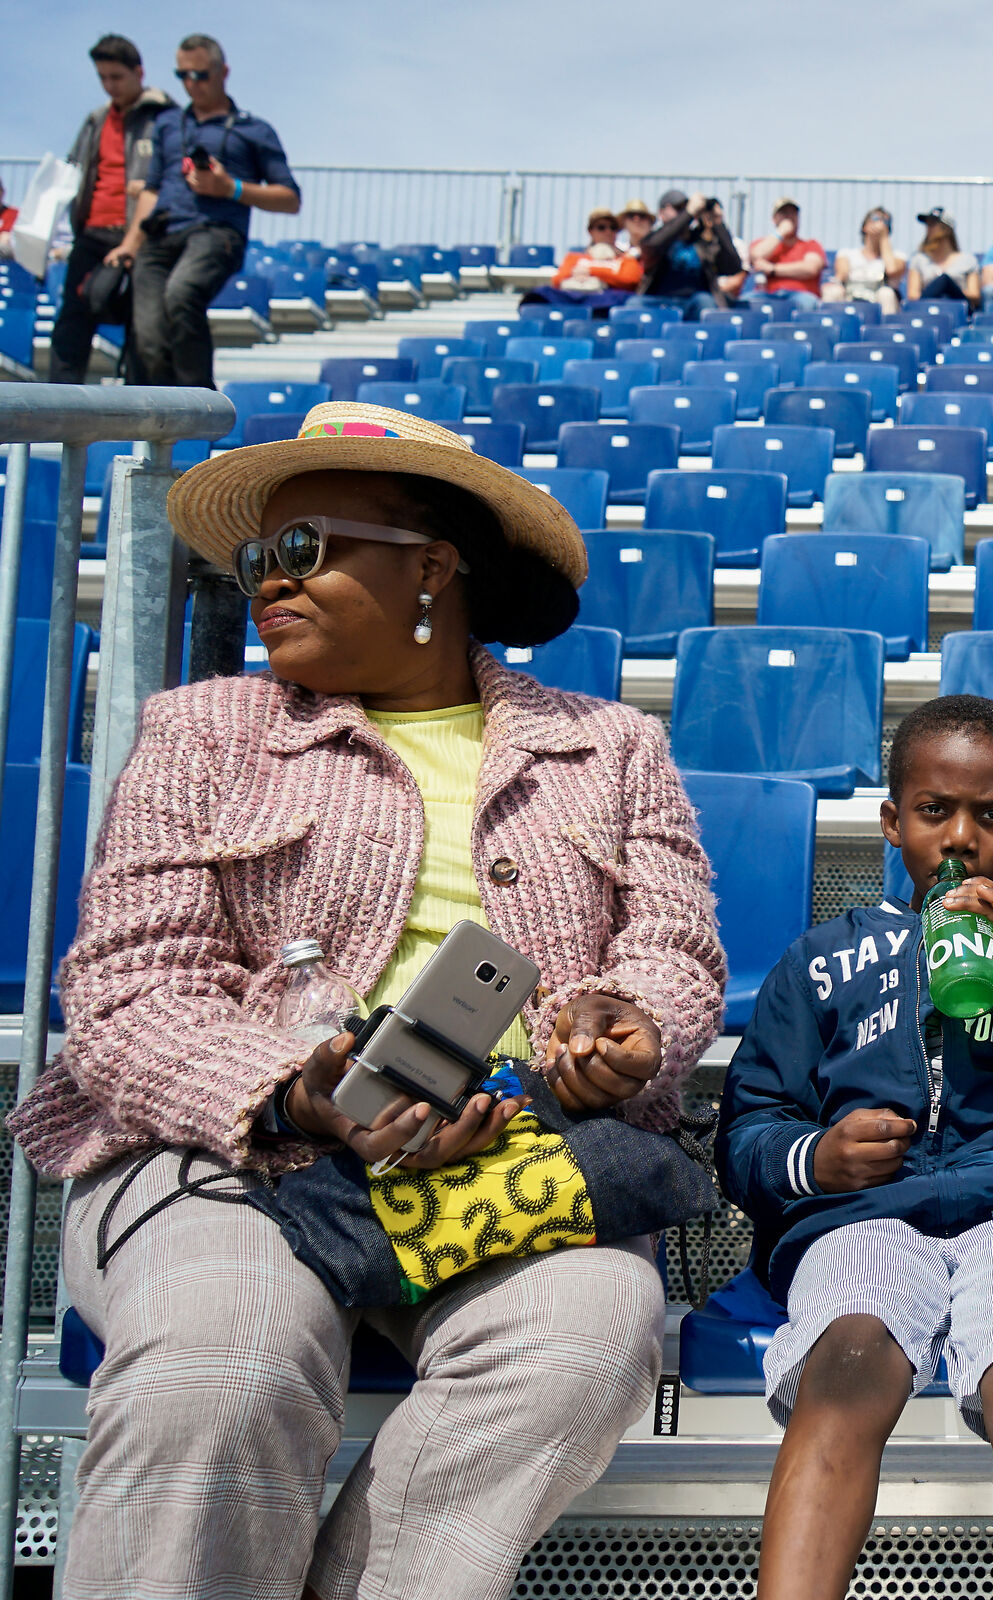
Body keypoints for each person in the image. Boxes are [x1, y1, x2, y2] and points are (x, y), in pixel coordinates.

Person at [7, 401, 727, 1598]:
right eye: (254, 562)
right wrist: (288, 1091)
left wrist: (624, 1024)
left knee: (584, 1345)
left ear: (430, 567)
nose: (265, 584)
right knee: (219, 1370)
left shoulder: (608, 746)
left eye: (303, 551)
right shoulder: (202, 733)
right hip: (235, 1159)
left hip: (507, 1154)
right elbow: (127, 987)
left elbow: (674, 945)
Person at [718, 694, 993, 1600]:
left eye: (991, 817)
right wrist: (820, 1158)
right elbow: (748, 1130)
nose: (960, 838)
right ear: (892, 821)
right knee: (845, 1364)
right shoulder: (821, 960)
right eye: (933, 811)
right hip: (864, 1214)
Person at [124, 34, 300, 390]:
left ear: (224, 72)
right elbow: (151, 189)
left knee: (182, 294)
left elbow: (290, 198)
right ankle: (164, 422)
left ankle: (199, 405)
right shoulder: (168, 124)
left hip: (217, 232)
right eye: (183, 76)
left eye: (201, 75)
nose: (192, 84)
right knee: (148, 335)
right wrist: (130, 243)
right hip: (161, 233)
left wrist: (230, 188)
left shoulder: (255, 129)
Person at [51, 34, 173, 386]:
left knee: (141, 331)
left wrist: (135, 242)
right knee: (70, 325)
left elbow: (167, 181)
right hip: (91, 235)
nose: (109, 86)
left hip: (142, 238)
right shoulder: (96, 120)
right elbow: (75, 169)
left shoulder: (164, 117)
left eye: (116, 77)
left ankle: (135, 418)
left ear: (139, 72)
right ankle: (58, 408)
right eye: (102, 78)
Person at [637, 189, 740, 319]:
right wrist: (688, 213)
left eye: (685, 207)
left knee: (706, 302)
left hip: (694, 301)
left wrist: (718, 223)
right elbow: (651, 246)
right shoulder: (656, 238)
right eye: (678, 208)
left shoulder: (702, 241)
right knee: (634, 304)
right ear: (661, 213)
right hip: (659, 299)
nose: (684, 212)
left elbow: (733, 267)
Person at [524, 208, 640, 311]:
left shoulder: (625, 259)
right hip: (573, 296)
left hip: (606, 299)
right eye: (601, 228)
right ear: (591, 231)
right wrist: (610, 275)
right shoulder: (574, 257)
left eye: (613, 228)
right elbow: (558, 280)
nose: (608, 232)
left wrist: (590, 271)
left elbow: (630, 280)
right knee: (540, 293)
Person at [826, 206, 904, 314]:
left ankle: (885, 329)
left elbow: (892, 270)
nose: (879, 224)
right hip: (850, 297)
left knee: (886, 293)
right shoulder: (846, 254)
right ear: (865, 226)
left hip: (879, 300)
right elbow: (841, 275)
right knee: (833, 291)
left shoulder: (898, 256)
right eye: (875, 219)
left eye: (885, 221)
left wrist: (884, 238)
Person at [747, 198, 825, 299]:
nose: (789, 217)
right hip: (768, 294)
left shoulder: (811, 244)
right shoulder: (762, 243)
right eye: (784, 213)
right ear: (774, 219)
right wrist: (781, 232)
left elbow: (810, 268)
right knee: (746, 301)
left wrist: (772, 269)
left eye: (793, 213)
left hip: (801, 295)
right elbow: (756, 256)